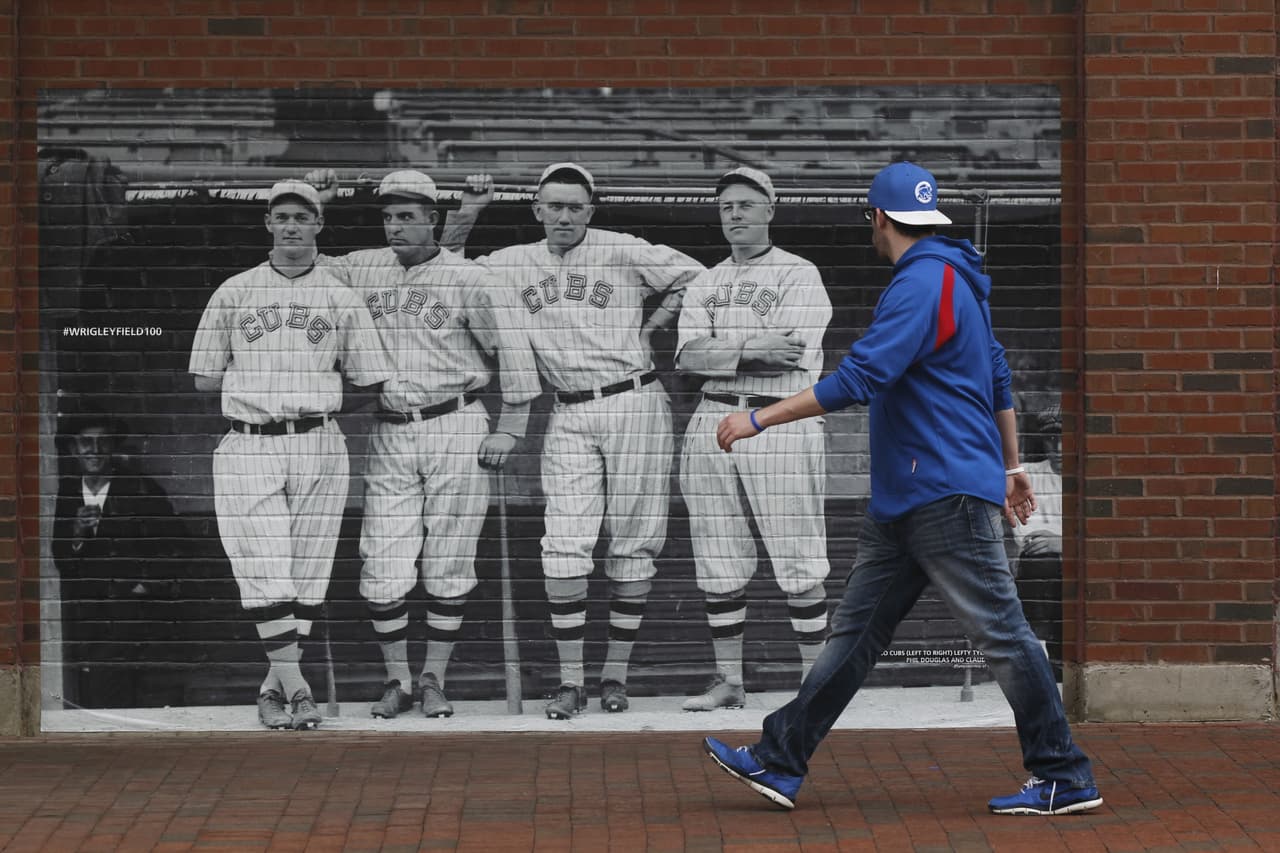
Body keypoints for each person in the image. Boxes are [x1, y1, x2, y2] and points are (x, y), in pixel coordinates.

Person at [701, 162, 1101, 816]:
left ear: (878, 219)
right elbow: (997, 374)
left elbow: (860, 376)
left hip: (942, 492)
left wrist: (756, 417)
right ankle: (780, 758)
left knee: (1004, 634)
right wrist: (1011, 466)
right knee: (854, 636)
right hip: (912, 500)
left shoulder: (922, 282)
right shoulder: (958, 277)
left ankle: (1064, 772)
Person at [457, 164, 704, 718]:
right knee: (565, 541)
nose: (564, 215)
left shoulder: (622, 249)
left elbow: (696, 278)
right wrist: (467, 216)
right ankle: (571, 681)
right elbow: (448, 269)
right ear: (537, 210)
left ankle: (614, 676)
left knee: (634, 540)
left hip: (633, 398)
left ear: (591, 210)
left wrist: (652, 326)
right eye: (554, 205)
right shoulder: (511, 263)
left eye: (575, 206)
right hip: (567, 409)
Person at [304, 168, 540, 719]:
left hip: (456, 424)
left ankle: (434, 676)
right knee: (383, 560)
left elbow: (514, 354)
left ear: (434, 220)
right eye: (388, 217)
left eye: (407, 217)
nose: (395, 227)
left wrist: (511, 427)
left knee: (450, 558)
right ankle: (398, 679)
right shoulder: (363, 268)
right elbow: (304, 265)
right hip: (389, 427)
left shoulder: (471, 278)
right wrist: (318, 200)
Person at [189, 179, 394, 731]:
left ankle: (272, 690)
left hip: (318, 440)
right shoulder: (234, 292)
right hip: (250, 439)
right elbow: (205, 380)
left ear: (319, 226)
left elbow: (370, 378)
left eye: (303, 217)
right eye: (282, 217)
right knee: (262, 566)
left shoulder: (340, 296)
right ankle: (300, 688)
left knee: (307, 572)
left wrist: (313, 399)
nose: (292, 226)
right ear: (268, 225)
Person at [675, 167, 833, 711]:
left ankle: (817, 683)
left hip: (780, 419)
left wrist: (722, 347)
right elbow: (686, 358)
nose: (735, 214)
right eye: (726, 207)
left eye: (746, 204)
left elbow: (788, 355)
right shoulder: (705, 281)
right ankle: (729, 680)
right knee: (716, 552)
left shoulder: (799, 273)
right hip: (713, 418)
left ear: (770, 209)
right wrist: (748, 348)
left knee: (797, 552)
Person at [51, 406, 179, 708]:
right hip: (89, 622)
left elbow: (175, 545)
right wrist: (77, 534)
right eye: (86, 442)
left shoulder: (141, 489)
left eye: (103, 442)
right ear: (73, 449)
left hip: (135, 616)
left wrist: (145, 585)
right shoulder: (68, 492)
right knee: (98, 695)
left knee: (129, 694)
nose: (94, 450)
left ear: (112, 447)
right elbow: (62, 559)